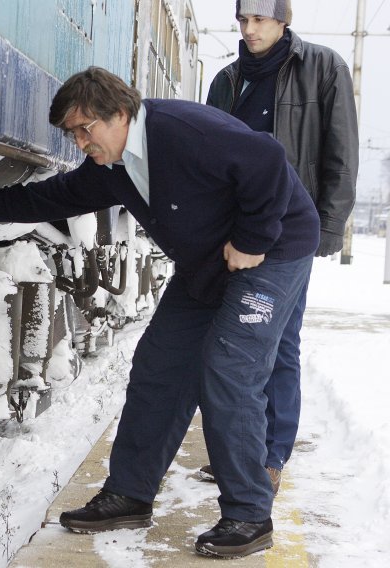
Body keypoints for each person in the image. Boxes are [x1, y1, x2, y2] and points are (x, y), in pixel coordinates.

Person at [0, 66, 319, 558]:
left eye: (86, 128)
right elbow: (63, 194)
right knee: (159, 366)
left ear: (121, 114)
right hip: (208, 262)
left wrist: (252, 238)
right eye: (71, 132)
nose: (80, 141)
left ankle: (249, 515)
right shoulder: (116, 164)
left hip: (270, 252)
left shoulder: (183, 132)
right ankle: (129, 494)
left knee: (229, 368)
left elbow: (268, 160)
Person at [203, 0, 359, 493]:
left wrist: (330, 225)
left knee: (280, 341)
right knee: (234, 341)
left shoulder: (323, 67)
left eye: (260, 20)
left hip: (292, 228)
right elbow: (209, 159)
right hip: (237, 232)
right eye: (243, 21)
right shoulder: (226, 82)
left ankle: (271, 455)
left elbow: (341, 148)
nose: (249, 30)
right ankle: (240, 450)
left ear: (283, 20)